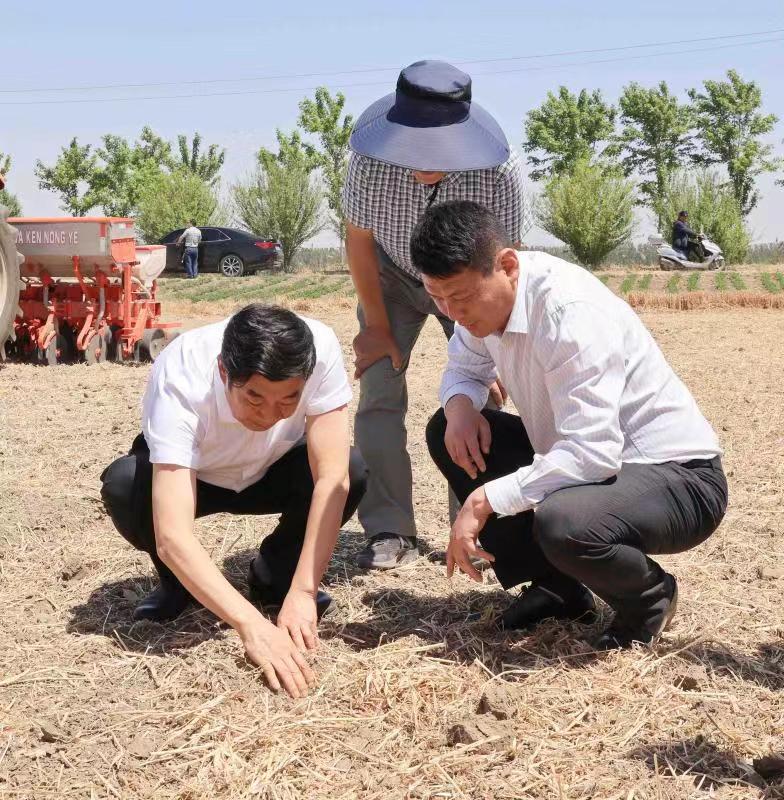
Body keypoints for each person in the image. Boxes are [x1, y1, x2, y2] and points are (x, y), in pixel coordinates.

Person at [414, 201, 728, 649]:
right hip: (590, 462)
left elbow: (592, 453)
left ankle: (648, 598)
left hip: (677, 478)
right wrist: (460, 406)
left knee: (564, 521)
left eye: (460, 298)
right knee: (447, 430)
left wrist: (486, 499)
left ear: (507, 266)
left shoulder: (568, 311)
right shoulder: (482, 306)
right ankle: (557, 588)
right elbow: (464, 368)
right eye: (437, 297)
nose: (451, 312)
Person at [100, 304, 367, 696]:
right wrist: (252, 627)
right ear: (224, 371)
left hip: (274, 466)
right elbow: (172, 534)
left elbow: (332, 479)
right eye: (254, 397)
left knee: (352, 469)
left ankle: (276, 578)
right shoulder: (182, 372)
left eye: (288, 400)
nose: (270, 415)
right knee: (126, 485)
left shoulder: (320, 348)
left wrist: (304, 591)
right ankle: (179, 586)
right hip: (197, 475)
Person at [342, 59, 531, 570]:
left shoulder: (499, 170)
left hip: (468, 280)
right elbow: (359, 242)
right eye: (414, 143)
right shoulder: (367, 162)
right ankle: (389, 530)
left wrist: (500, 342)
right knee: (379, 392)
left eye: (438, 145)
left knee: (483, 395)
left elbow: (507, 262)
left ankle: (472, 526)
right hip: (390, 273)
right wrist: (376, 327)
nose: (424, 159)